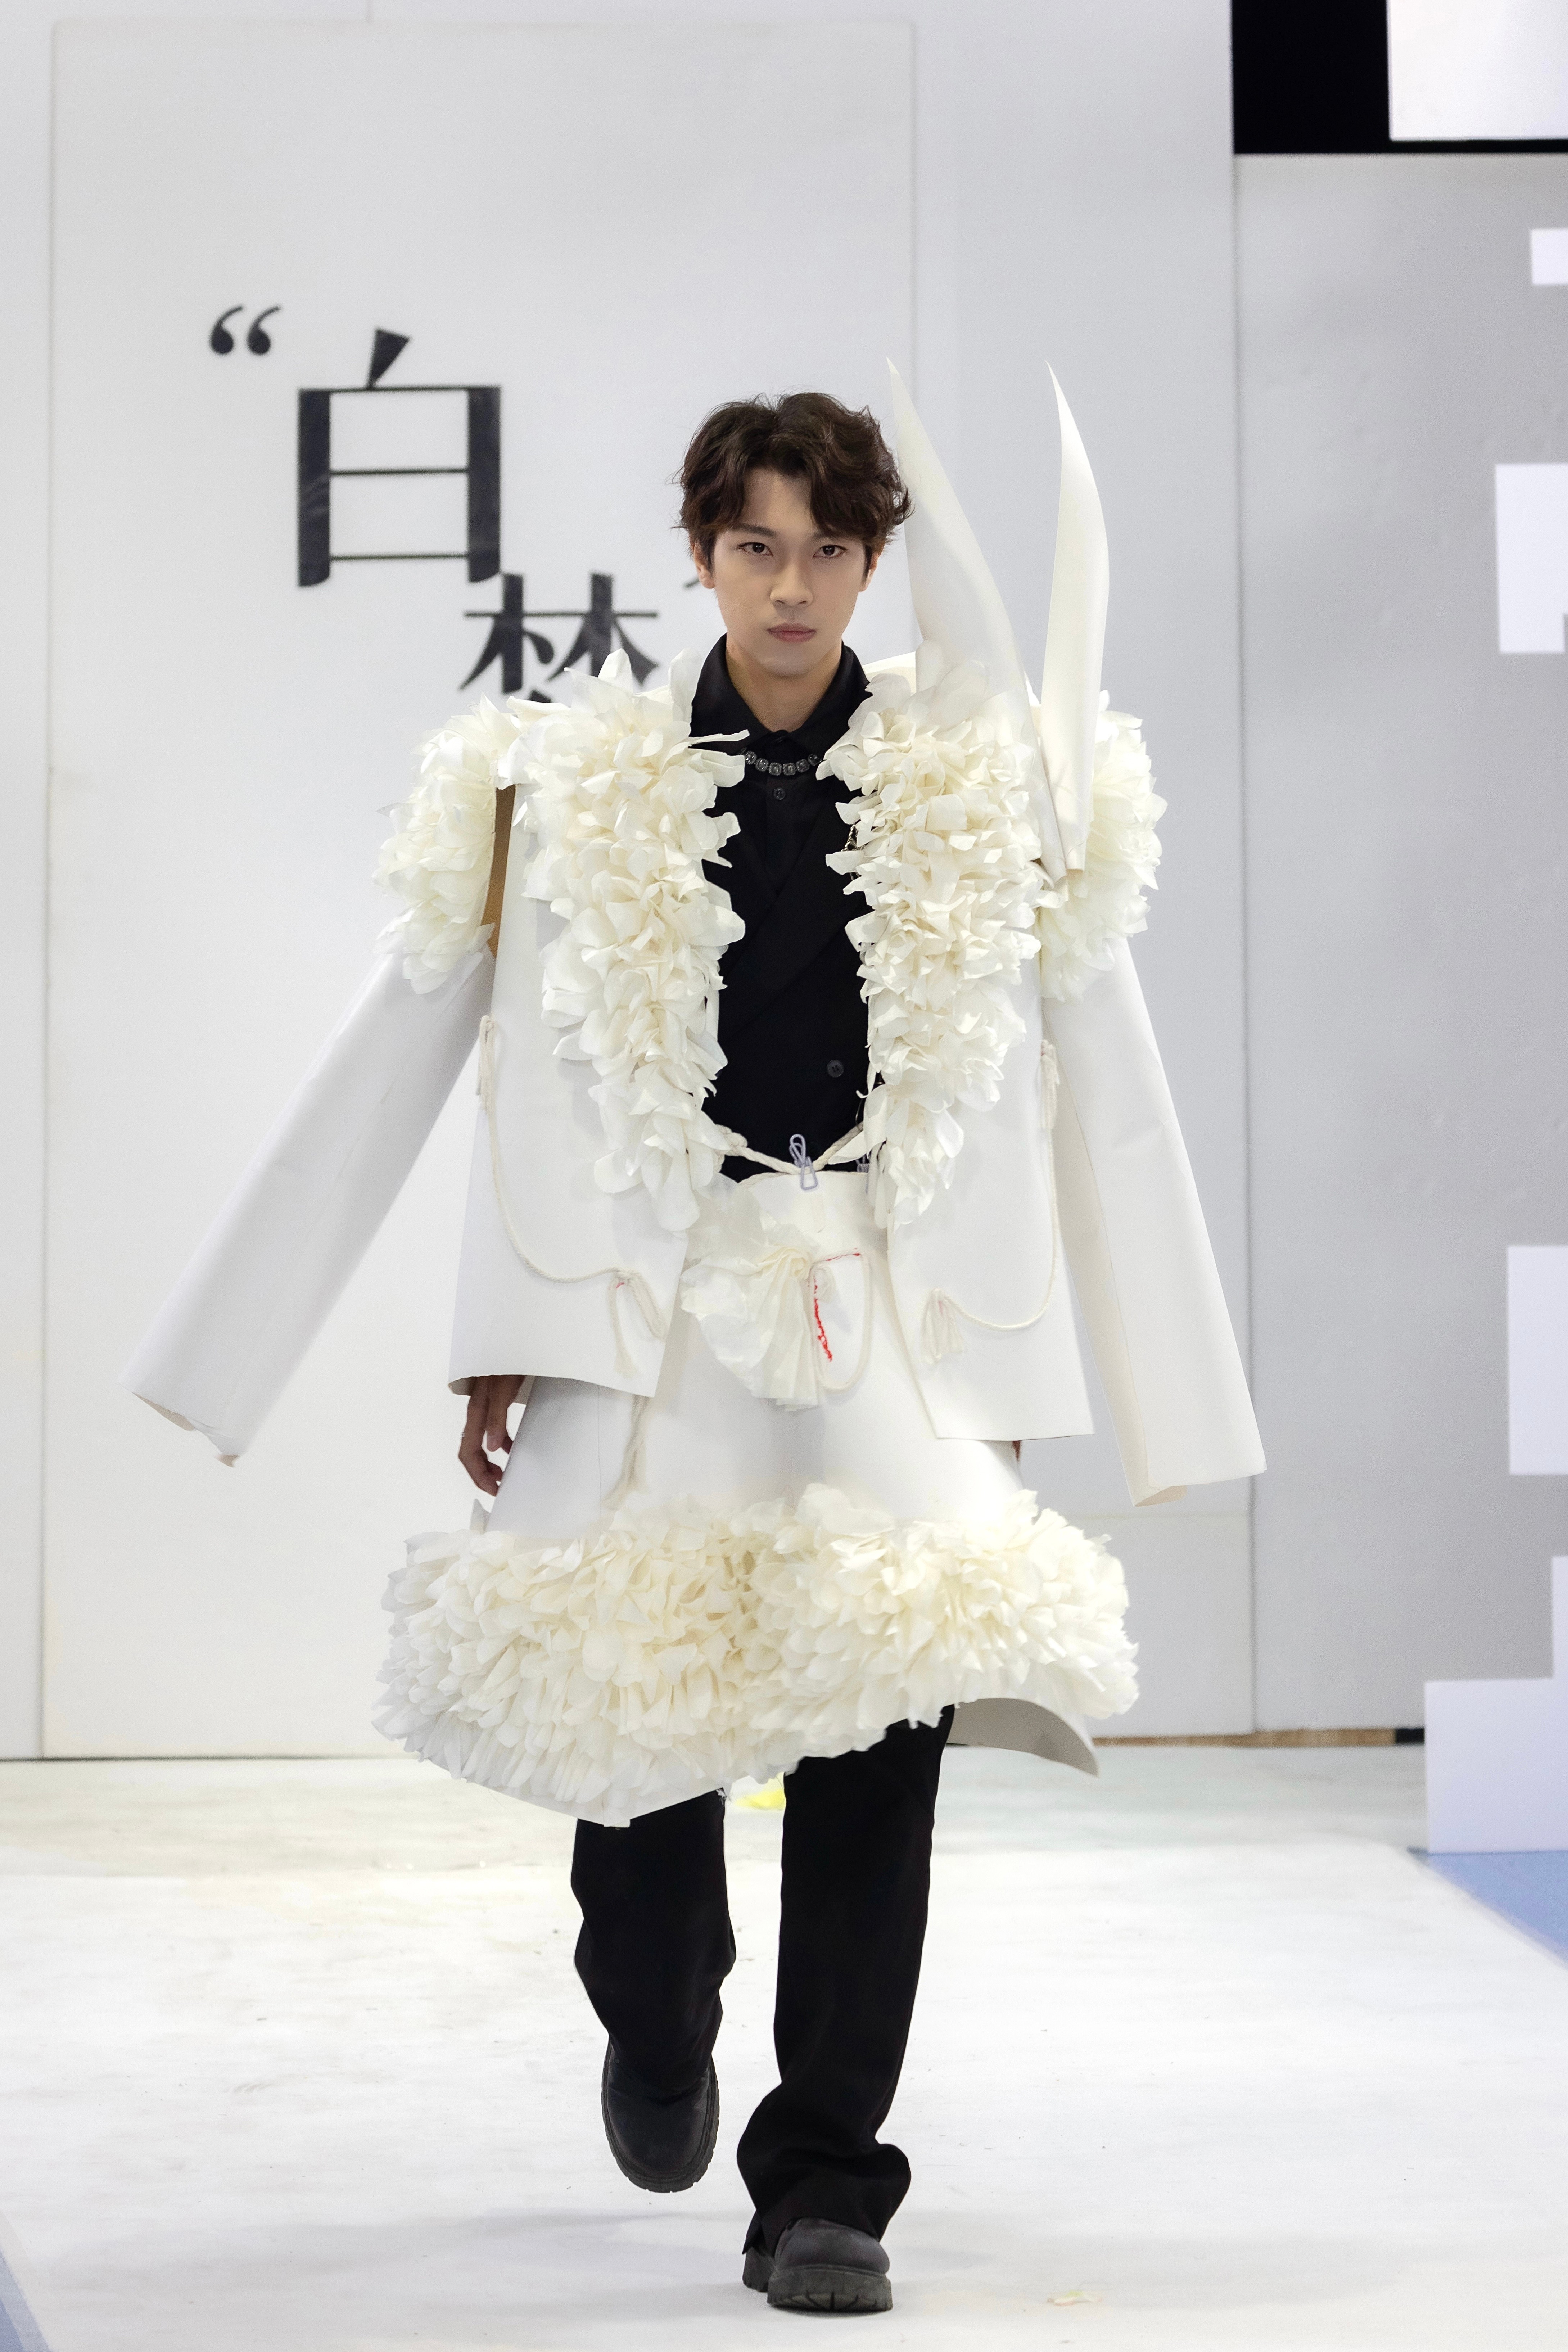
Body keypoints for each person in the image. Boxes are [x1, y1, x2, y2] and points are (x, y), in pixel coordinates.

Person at [124, 377, 1263, 2317]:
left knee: (879, 1739)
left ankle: (824, 2182)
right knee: (635, 1740)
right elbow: (438, 1035)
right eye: (756, 546)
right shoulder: (567, 780)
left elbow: (1105, 1067)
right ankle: (657, 2023)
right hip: (654, 1315)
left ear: (873, 563)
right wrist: (476, 1337)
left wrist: (1160, 1391)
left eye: (827, 550)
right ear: (702, 555)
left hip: (892, 1316)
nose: (791, 586)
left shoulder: (987, 785)